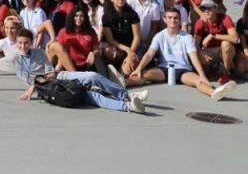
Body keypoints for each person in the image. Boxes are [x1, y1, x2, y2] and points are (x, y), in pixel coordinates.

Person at [13, 30, 148, 114]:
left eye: (26, 43)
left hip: (60, 76)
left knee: (92, 76)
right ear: (16, 43)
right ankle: (129, 106)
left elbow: (51, 74)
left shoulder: (40, 53)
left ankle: (127, 95)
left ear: (31, 42)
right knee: (92, 97)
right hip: (53, 88)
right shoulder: (14, 59)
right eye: (20, 43)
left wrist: (33, 85)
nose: (23, 46)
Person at [129, 8, 237, 101]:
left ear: (180, 20)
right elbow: (149, 54)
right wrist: (139, 68)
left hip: (183, 70)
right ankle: (123, 83)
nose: (173, 20)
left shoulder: (187, 37)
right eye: (170, 17)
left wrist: (202, 75)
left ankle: (214, 93)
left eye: (176, 18)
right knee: (142, 75)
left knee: (198, 81)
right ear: (164, 19)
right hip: (164, 69)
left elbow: (193, 57)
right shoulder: (159, 36)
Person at [101, 0, 141, 86]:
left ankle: (119, 79)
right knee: (107, 51)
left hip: (132, 47)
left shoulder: (132, 14)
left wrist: (130, 53)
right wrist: (128, 50)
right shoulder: (106, 16)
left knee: (130, 62)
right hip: (118, 48)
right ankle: (113, 72)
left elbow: (137, 37)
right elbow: (110, 39)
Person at [193, 0, 239, 84]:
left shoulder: (225, 18)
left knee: (226, 44)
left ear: (216, 8)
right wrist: (200, 53)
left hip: (226, 50)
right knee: (196, 54)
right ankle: (213, 66)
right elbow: (195, 44)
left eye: (209, 8)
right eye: (203, 8)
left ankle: (226, 72)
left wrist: (213, 35)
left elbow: (235, 39)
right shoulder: (200, 22)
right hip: (211, 51)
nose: (206, 11)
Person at [56, 4, 100, 71]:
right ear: (72, 17)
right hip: (68, 66)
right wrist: (58, 68)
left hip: (86, 66)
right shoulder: (63, 32)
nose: (79, 18)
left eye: (81, 16)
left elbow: (97, 50)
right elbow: (60, 52)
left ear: (85, 18)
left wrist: (93, 53)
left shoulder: (91, 32)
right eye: (76, 16)